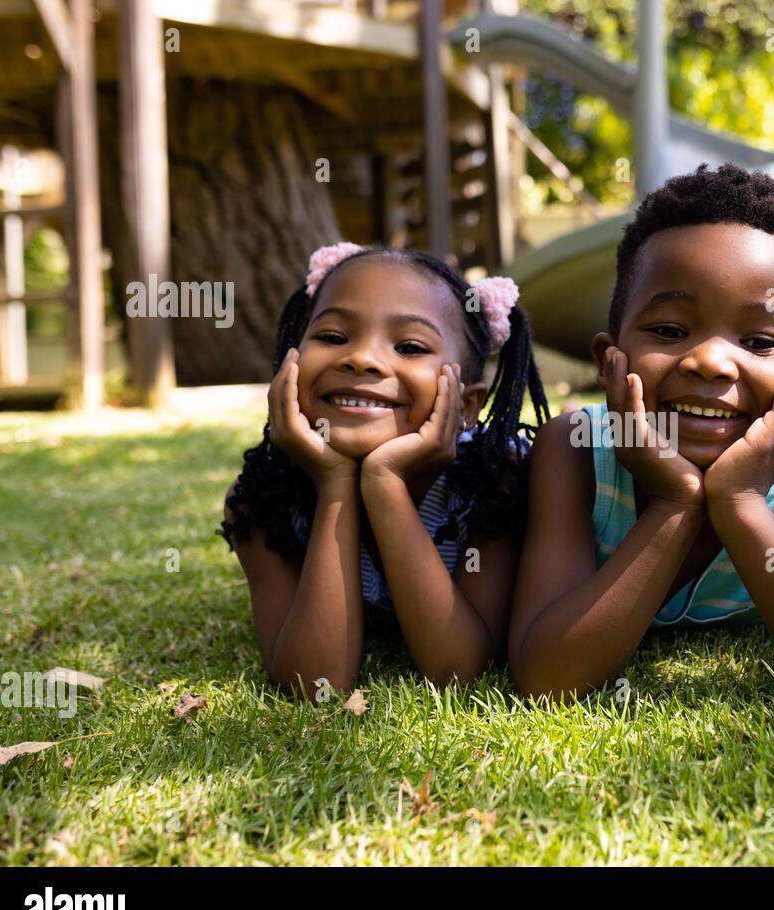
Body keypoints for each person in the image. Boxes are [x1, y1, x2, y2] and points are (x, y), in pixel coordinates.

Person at [509, 163, 774, 700]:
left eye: (761, 342)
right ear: (607, 361)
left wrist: (740, 499)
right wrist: (675, 502)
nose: (712, 362)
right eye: (670, 330)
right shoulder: (575, 449)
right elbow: (547, 678)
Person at [219, 244, 548, 697]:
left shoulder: (496, 486)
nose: (362, 359)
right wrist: (335, 484)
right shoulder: (262, 498)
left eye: (410, 346)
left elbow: (458, 670)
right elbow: (314, 683)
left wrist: (384, 483)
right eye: (333, 337)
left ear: (467, 405)